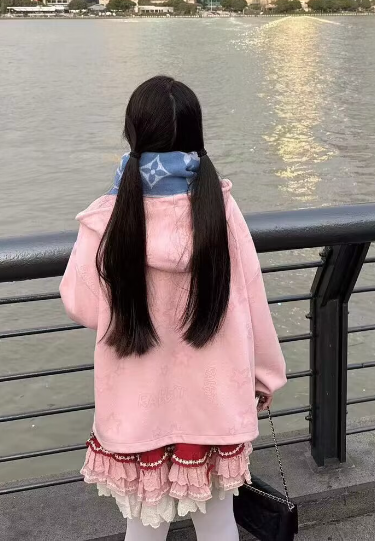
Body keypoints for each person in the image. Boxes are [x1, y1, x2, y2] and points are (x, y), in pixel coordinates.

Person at [60, 76, 286, 540]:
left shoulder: (110, 217)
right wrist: (265, 377)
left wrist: (108, 201)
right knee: (218, 523)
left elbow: (82, 307)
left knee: (143, 528)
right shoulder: (220, 209)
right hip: (214, 404)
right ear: (196, 134)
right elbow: (252, 300)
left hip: (136, 407)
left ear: (132, 134)